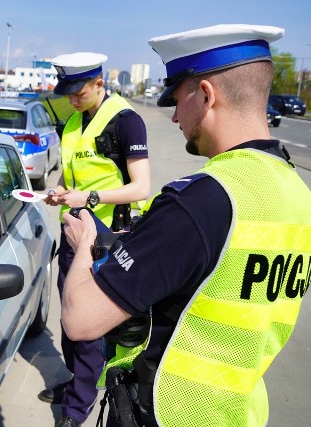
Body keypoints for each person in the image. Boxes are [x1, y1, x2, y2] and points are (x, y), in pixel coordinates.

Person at [61, 24, 311, 426]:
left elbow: (79, 318)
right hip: (239, 413)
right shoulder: (297, 193)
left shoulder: (201, 201)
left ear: (207, 95)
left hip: (168, 413)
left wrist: (85, 239)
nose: (175, 115)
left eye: (177, 99)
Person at [41, 52, 151, 427]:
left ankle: (76, 410)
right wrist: (57, 192)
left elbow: (142, 186)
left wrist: (89, 198)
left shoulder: (126, 122)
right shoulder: (73, 121)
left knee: (88, 330)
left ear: (100, 84)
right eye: (67, 92)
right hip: (72, 235)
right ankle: (75, 384)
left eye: (80, 91)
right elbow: (70, 176)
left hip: (104, 242)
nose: (72, 99)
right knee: (69, 323)